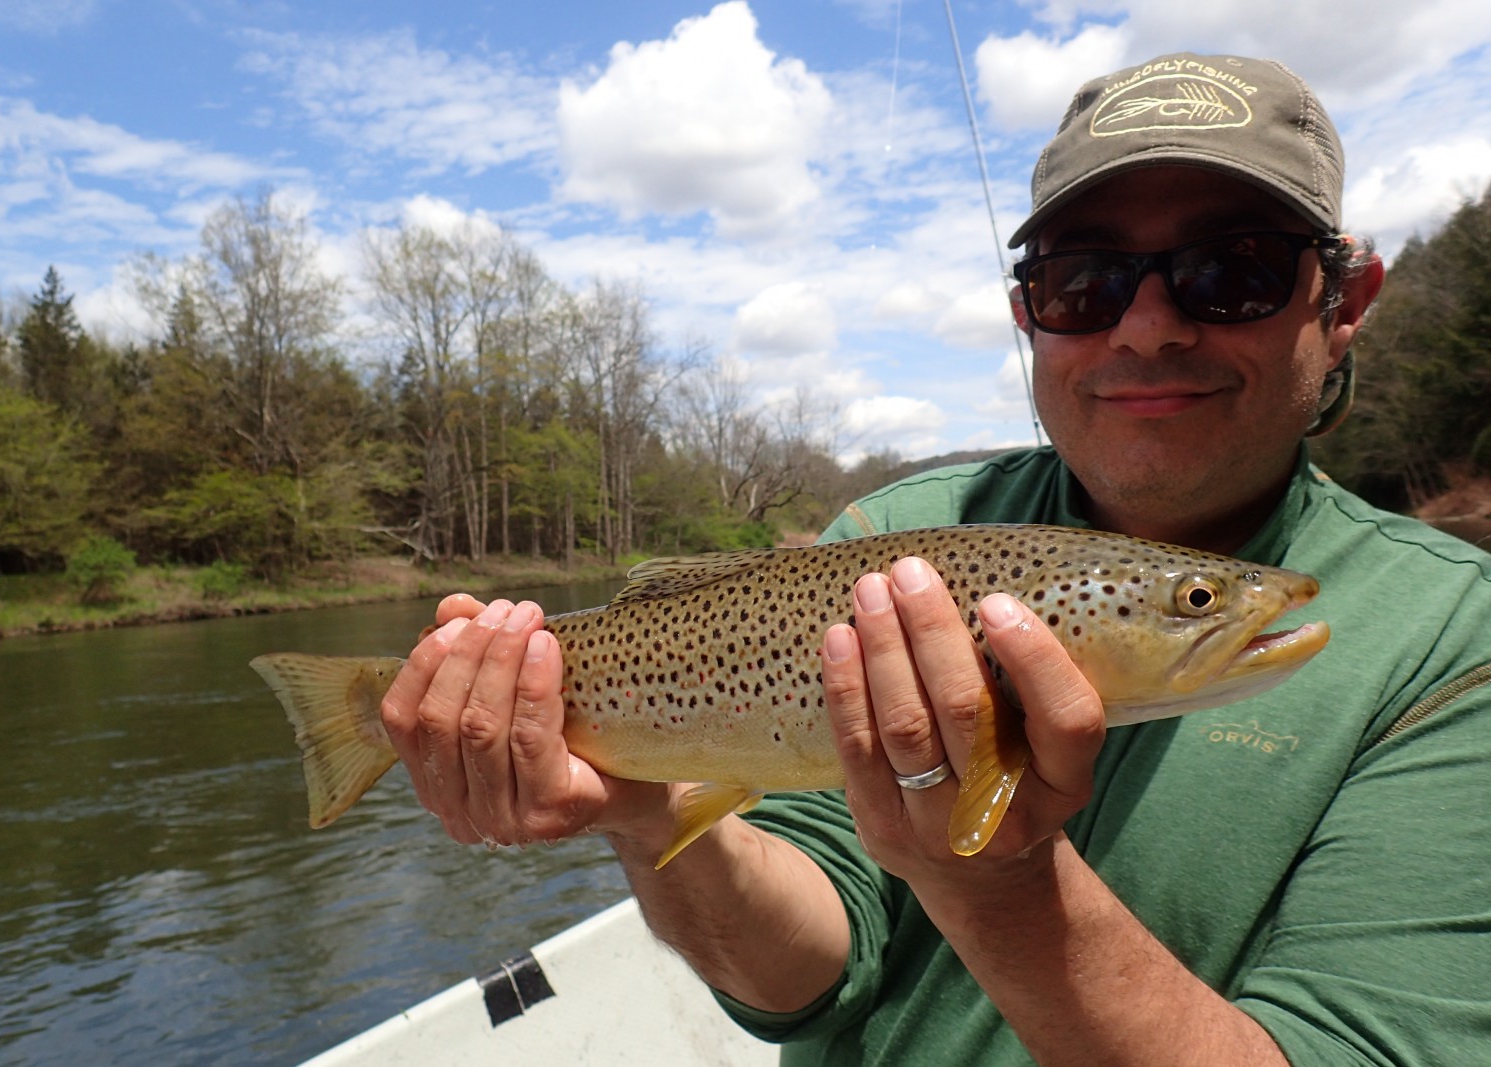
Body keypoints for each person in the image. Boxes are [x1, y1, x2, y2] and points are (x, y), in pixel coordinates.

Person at [379, 52, 1491, 1065]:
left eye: (1232, 269)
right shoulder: (888, 542)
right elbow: (805, 976)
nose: (1145, 327)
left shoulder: (1455, 642)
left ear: (1342, 302)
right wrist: (641, 808)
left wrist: (996, 882)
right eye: (1085, 281)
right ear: (1028, 315)